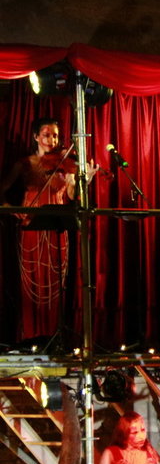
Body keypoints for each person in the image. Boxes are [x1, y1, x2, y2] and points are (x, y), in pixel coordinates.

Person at [0, 118, 97, 340]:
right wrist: (11, 210)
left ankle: (54, 336)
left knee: (56, 284)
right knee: (31, 282)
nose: (51, 140)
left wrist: (84, 182)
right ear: (35, 137)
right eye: (46, 134)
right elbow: (2, 189)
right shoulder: (25, 163)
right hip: (31, 226)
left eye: (55, 135)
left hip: (57, 227)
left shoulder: (67, 164)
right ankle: (31, 336)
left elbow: (72, 196)